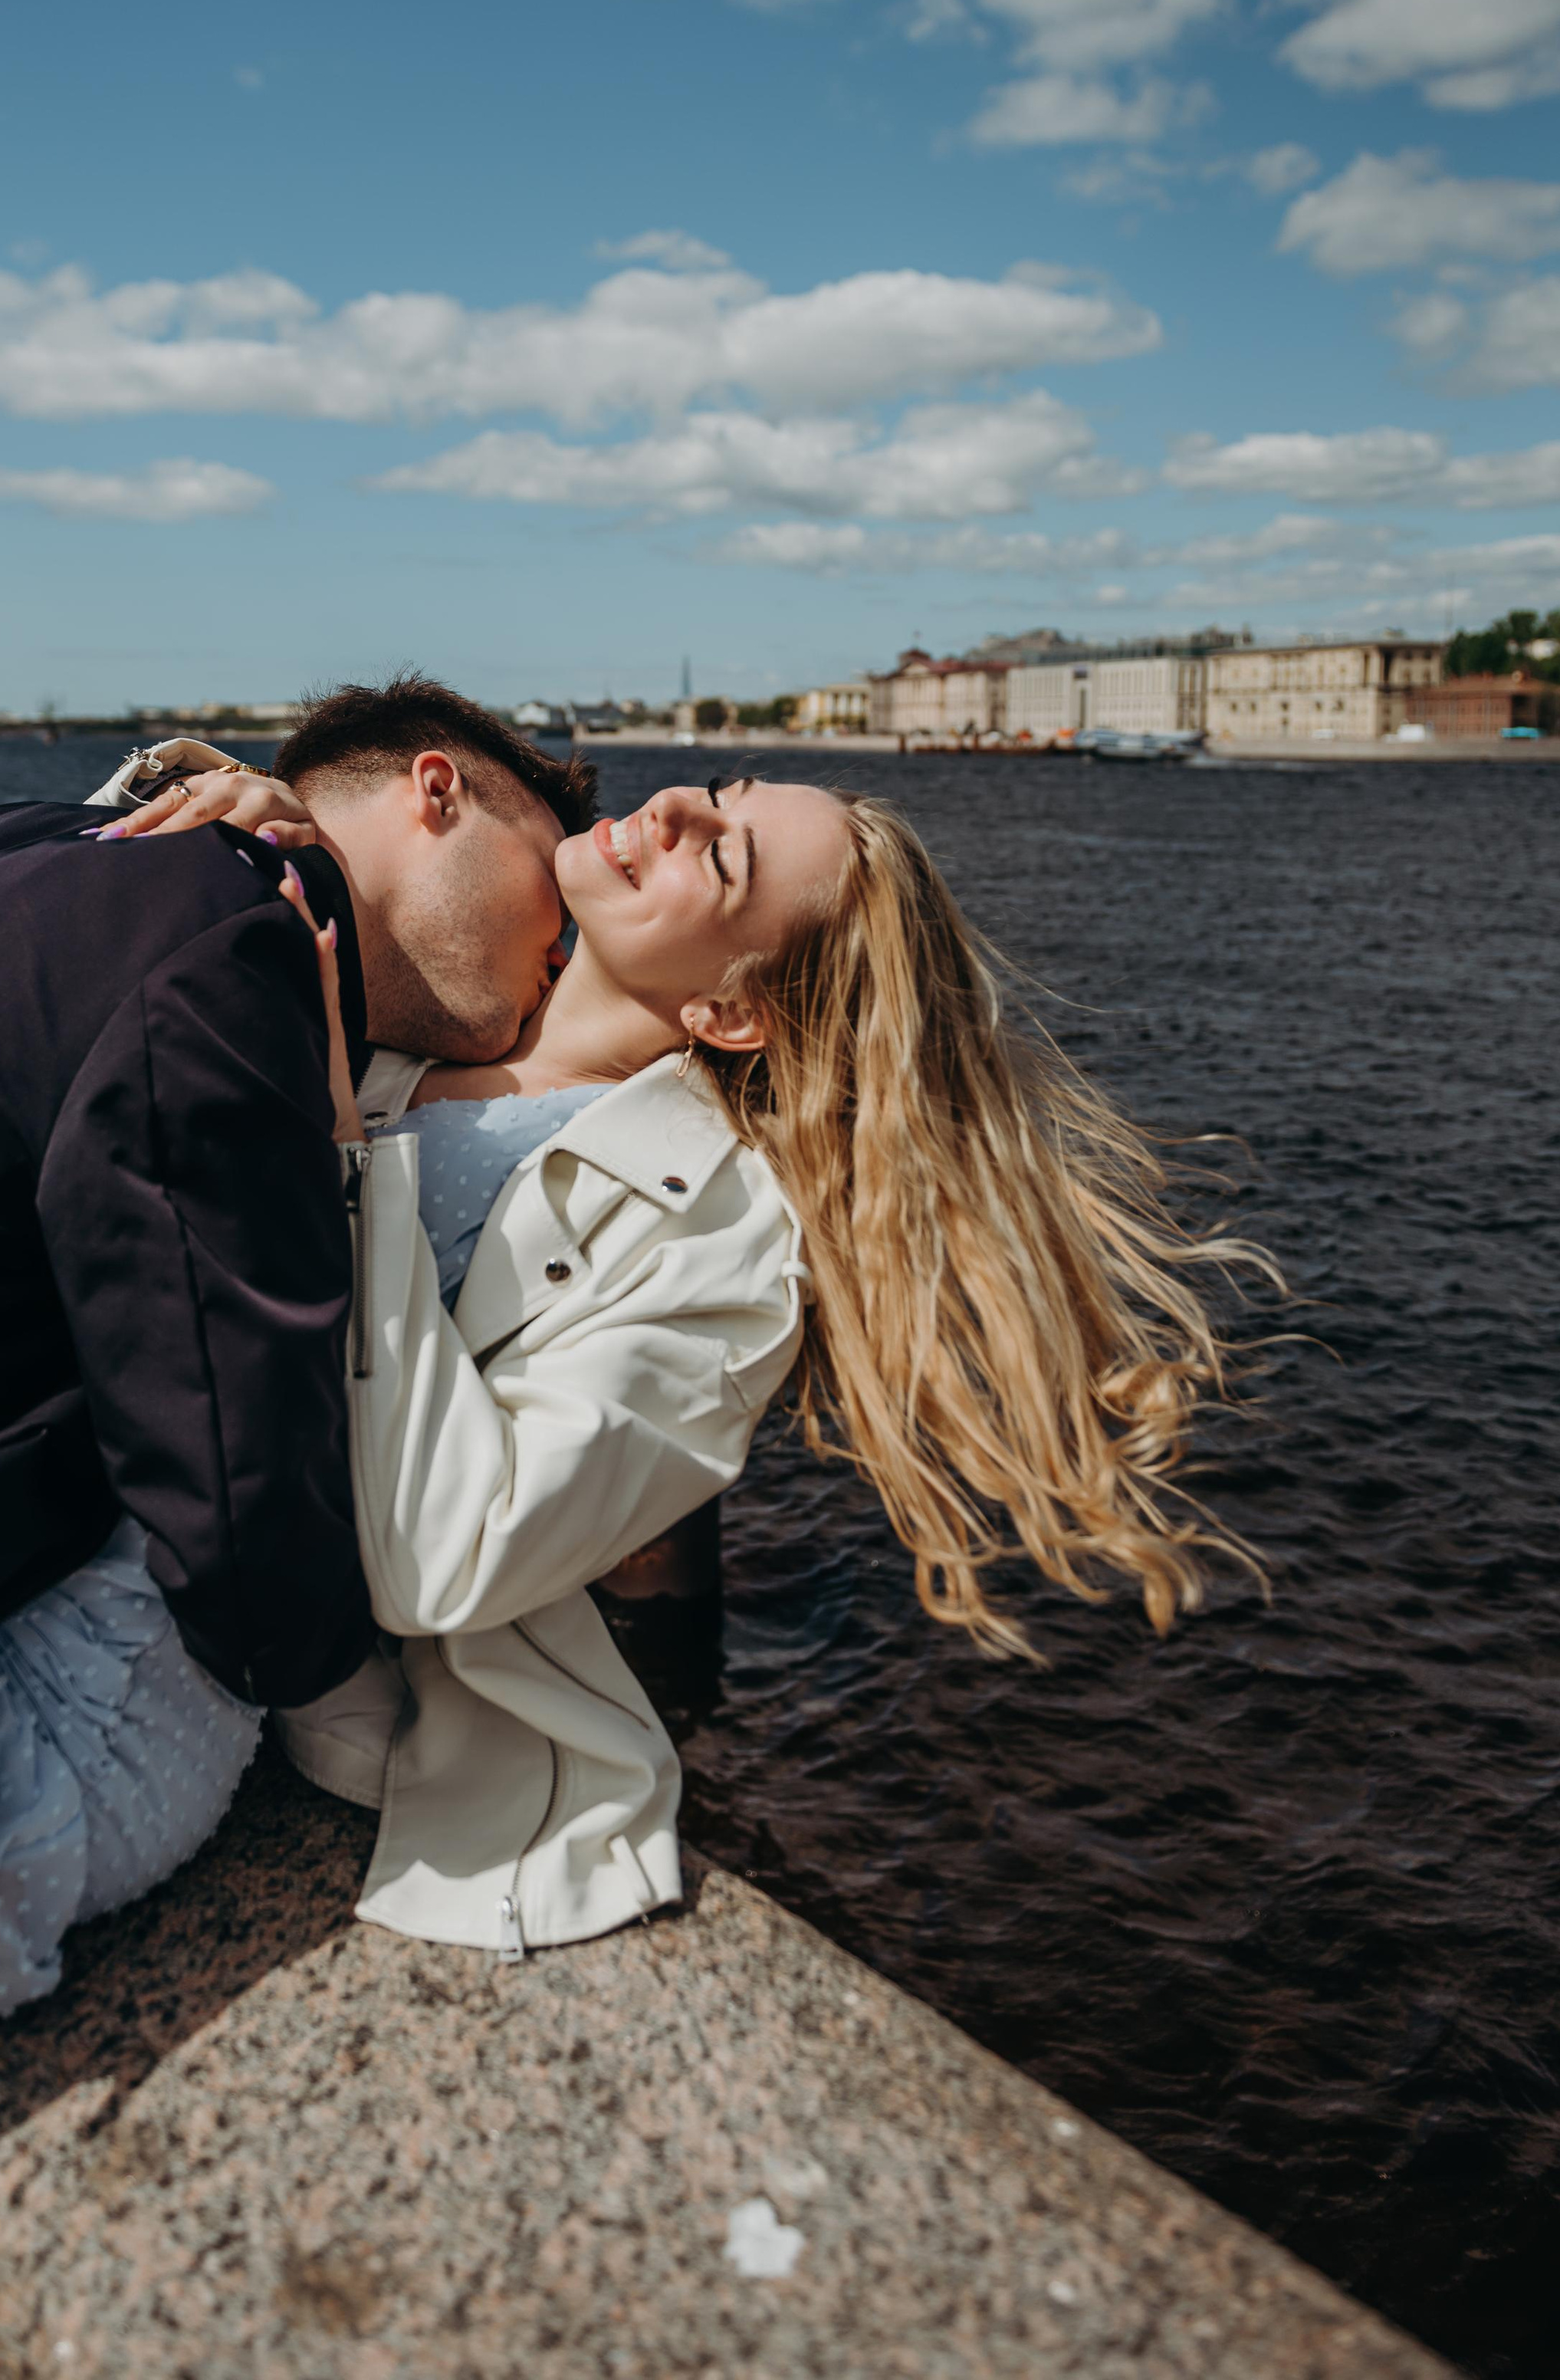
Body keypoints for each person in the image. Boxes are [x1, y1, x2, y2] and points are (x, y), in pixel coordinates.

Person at [0, 679, 590, 2375]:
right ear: (439, 794)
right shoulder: (217, 965)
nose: (566, 942)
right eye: (555, 863)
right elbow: (236, 1519)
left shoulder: (70, 847)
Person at [118, 735, 1263, 1961]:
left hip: (251, 1691)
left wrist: (349, 1168)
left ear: (727, 1009)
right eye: (714, 796)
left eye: (724, 859)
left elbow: (445, 1558)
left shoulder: (728, 1250)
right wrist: (235, 839)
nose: (670, 808)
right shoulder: (427, 999)